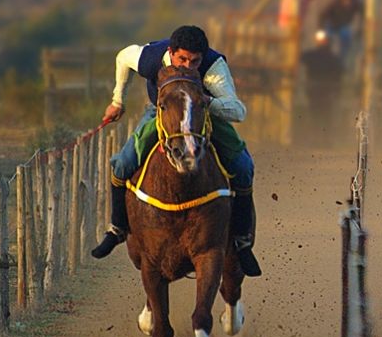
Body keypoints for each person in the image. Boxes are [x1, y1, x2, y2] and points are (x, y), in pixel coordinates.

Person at [91, 25, 262, 276]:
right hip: (164, 114)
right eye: (181, 59)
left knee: (244, 167)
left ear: (203, 58)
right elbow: (123, 57)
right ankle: (117, 228)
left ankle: (242, 242)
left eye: (194, 61)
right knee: (122, 163)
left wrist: (206, 102)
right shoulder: (151, 58)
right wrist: (118, 100)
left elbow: (237, 110)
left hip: (203, 114)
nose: (187, 66)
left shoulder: (214, 68)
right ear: (171, 52)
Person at [300, 29, 345, 137]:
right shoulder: (312, 55)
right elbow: (301, 57)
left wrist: (336, 90)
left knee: (325, 116)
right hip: (315, 90)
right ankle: (316, 138)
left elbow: (339, 73)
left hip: (325, 91)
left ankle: (325, 140)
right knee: (315, 115)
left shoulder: (332, 58)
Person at [317, 0, 363, 64]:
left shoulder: (356, 4)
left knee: (346, 38)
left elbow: (363, 15)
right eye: (346, 1)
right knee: (326, 39)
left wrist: (360, 29)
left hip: (344, 25)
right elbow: (323, 15)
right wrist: (320, 30)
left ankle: (341, 61)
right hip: (331, 23)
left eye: (350, 2)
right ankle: (325, 57)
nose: (347, 4)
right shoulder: (335, 2)